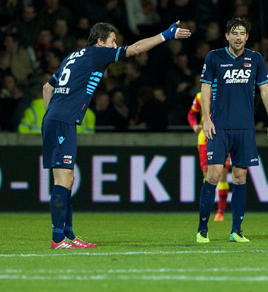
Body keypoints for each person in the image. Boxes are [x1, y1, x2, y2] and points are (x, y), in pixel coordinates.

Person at [43, 21, 191, 249]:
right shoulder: (96, 54)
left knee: (68, 180)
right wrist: (165, 35)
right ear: (100, 41)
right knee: (63, 180)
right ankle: (57, 239)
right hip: (62, 121)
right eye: (113, 41)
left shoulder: (73, 56)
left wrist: (50, 117)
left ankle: (68, 235)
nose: (116, 45)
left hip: (57, 119)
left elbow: (47, 88)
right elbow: (135, 49)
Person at [197, 17, 268, 243]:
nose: (238, 37)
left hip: (244, 127)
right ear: (227, 36)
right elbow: (205, 89)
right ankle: (202, 229)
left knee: (240, 178)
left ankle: (236, 230)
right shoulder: (214, 57)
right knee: (213, 175)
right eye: (234, 33)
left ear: (247, 37)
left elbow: (265, 91)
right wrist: (206, 119)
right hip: (219, 126)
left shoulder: (255, 59)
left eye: (242, 33)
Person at [187, 92, 230, 222]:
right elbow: (191, 114)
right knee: (207, 177)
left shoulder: (226, 93)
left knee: (222, 175)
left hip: (224, 137)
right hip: (205, 139)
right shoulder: (201, 96)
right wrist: (194, 125)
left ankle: (220, 212)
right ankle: (206, 211)